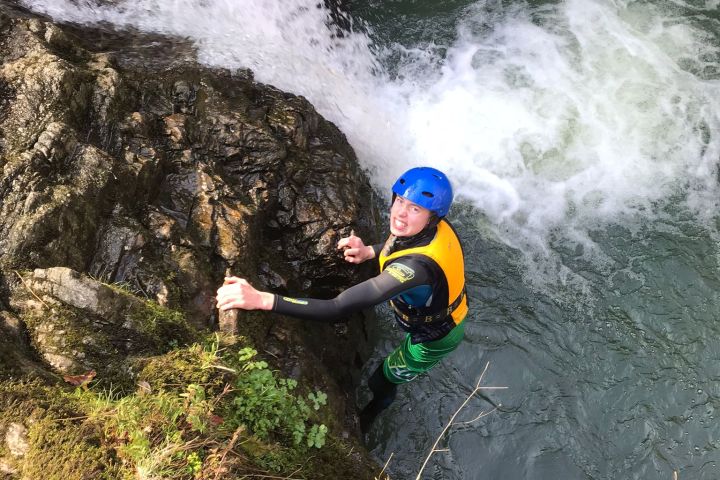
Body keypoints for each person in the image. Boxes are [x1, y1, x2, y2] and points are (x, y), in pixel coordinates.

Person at [216, 166, 468, 432]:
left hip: (435, 336)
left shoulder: (415, 270)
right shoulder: (429, 230)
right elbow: (403, 244)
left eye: (415, 208)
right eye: (401, 201)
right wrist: (368, 251)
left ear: (431, 218)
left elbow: (337, 307)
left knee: (381, 379)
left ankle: (374, 410)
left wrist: (262, 300)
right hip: (432, 305)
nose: (401, 213)